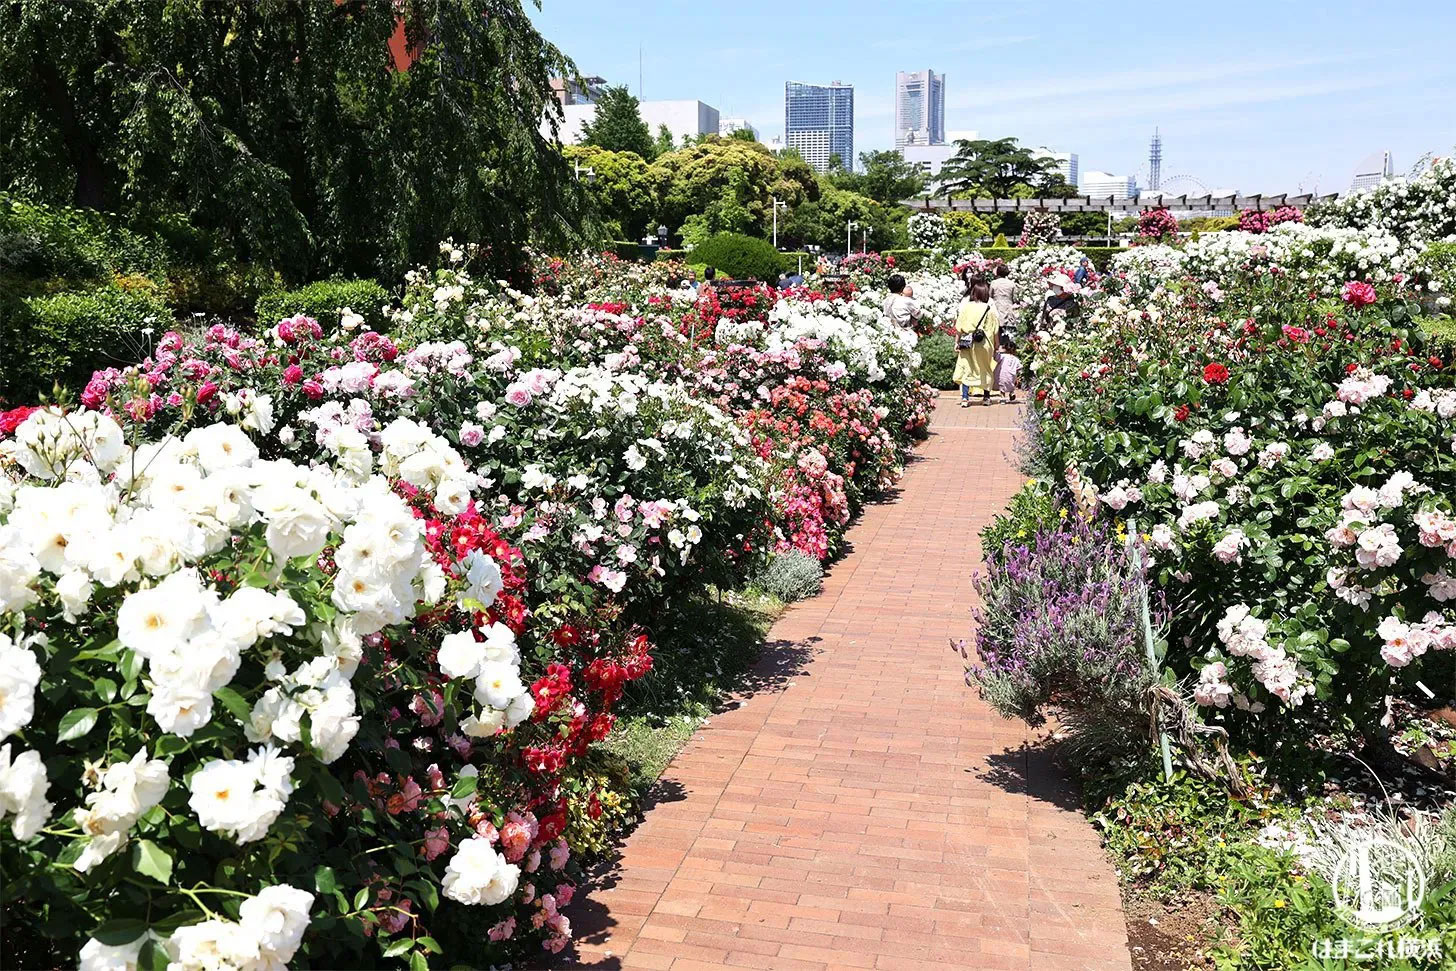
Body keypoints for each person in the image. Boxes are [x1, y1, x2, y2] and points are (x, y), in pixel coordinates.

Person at [953, 272, 1000, 407]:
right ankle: (986, 397)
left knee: (967, 368)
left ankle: (965, 398)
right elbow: (994, 329)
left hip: (967, 342)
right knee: (985, 369)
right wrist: (996, 345)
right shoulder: (989, 309)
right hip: (984, 344)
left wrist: (956, 342)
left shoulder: (966, 307)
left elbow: (959, 327)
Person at [988, 264, 1017, 335]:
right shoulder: (1011, 283)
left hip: (997, 307)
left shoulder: (994, 283)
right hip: (1008, 308)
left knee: (996, 331)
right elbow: (1014, 298)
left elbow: (990, 296)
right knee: (1008, 333)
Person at [994, 335, 1022, 404]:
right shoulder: (1016, 359)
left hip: (1002, 376)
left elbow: (996, 358)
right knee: (1011, 386)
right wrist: (1018, 377)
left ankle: (1003, 398)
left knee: (1002, 388)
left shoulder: (1002, 356)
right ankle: (1012, 393)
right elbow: (1019, 368)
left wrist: (995, 350)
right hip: (1011, 377)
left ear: (1005, 349)